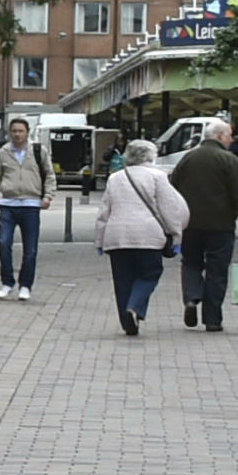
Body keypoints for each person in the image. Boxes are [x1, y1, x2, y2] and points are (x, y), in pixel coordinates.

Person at [170, 119, 238, 331]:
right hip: (221, 225)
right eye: (228, 135)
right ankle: (212, 319)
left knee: (191, 262)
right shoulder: (229, 160)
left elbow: (172, 188)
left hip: (189, 223)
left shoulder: (188, 158)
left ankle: (191, 297)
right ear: (219, 136)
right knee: (216, 271)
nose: (231, 139)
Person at [95, 139, 189, 336]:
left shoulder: (115, 178)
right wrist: (177, 235)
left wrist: (100, 240)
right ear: (150, 156)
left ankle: (127, 321)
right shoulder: (158, 176)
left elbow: (104, 211)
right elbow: (169, 208)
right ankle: (135, 307)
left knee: (122, 281)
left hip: (117, 236)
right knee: (150, 273)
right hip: (148, 235)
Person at [0, 116, 52, 299]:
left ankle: (25, 285)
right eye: (14, 131)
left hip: (31, 205)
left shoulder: (38, 151)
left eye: (21, 131)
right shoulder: (3, 153)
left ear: (27, 132)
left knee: (31, 249)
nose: (17, 134)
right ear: (9, 133)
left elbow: (50, 175)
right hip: (8, 205)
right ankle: (7, 282)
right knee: (3, 243)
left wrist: (48, 196)